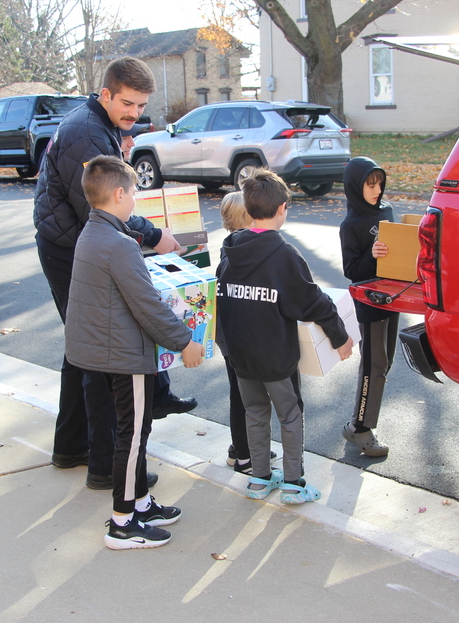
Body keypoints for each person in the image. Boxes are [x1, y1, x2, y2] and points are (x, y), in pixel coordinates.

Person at [33, 57, 194, 488]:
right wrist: (153, 235)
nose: (134, 114)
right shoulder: (88, 134)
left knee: (82, 349)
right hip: (73, 249)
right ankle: (105, 465)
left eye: (141, 106)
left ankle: (71, 447)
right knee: (101, 356)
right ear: (105, 93)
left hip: (70, 243)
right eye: (127, 103)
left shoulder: (95, 125)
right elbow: (107, 209)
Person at [64, 155, 204, 549]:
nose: (136, 201)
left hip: (101, 351)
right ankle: (123, 522)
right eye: (135, 193)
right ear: (119, 193)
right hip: (123, 355)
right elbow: (147, 305)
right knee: (132, 435)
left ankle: (140, 503)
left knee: (135, 431)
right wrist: (186, 342)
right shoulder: (121, 244)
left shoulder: (92, 234)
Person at [216, 169, 354, 504]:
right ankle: (294, 482)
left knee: (255, 413)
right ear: (282, 209)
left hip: (242, 357)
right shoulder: (284, 255)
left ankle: (260, 479)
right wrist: (341, 337)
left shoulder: (228, 253)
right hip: (276, 356)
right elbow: (312, 302)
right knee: (290, 416)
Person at [339, 157, 397, 457]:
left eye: (379, 184)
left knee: (385, 364)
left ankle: (360, 425)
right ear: (354, 187)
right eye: (369, 185)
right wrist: (372, 255)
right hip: (369, 303)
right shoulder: (350, 225)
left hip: (393, 297)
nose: (377, 190)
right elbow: (352, 270)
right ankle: (360, 427)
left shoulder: (386, 212)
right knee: (373, 366)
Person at [218, 190, 277, 475]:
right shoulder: (242, 251)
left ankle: (238, 448)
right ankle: (245, 456)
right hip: (239, 336)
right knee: (245, 397)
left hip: (229, 334)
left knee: (240, 393)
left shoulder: (228, 246)